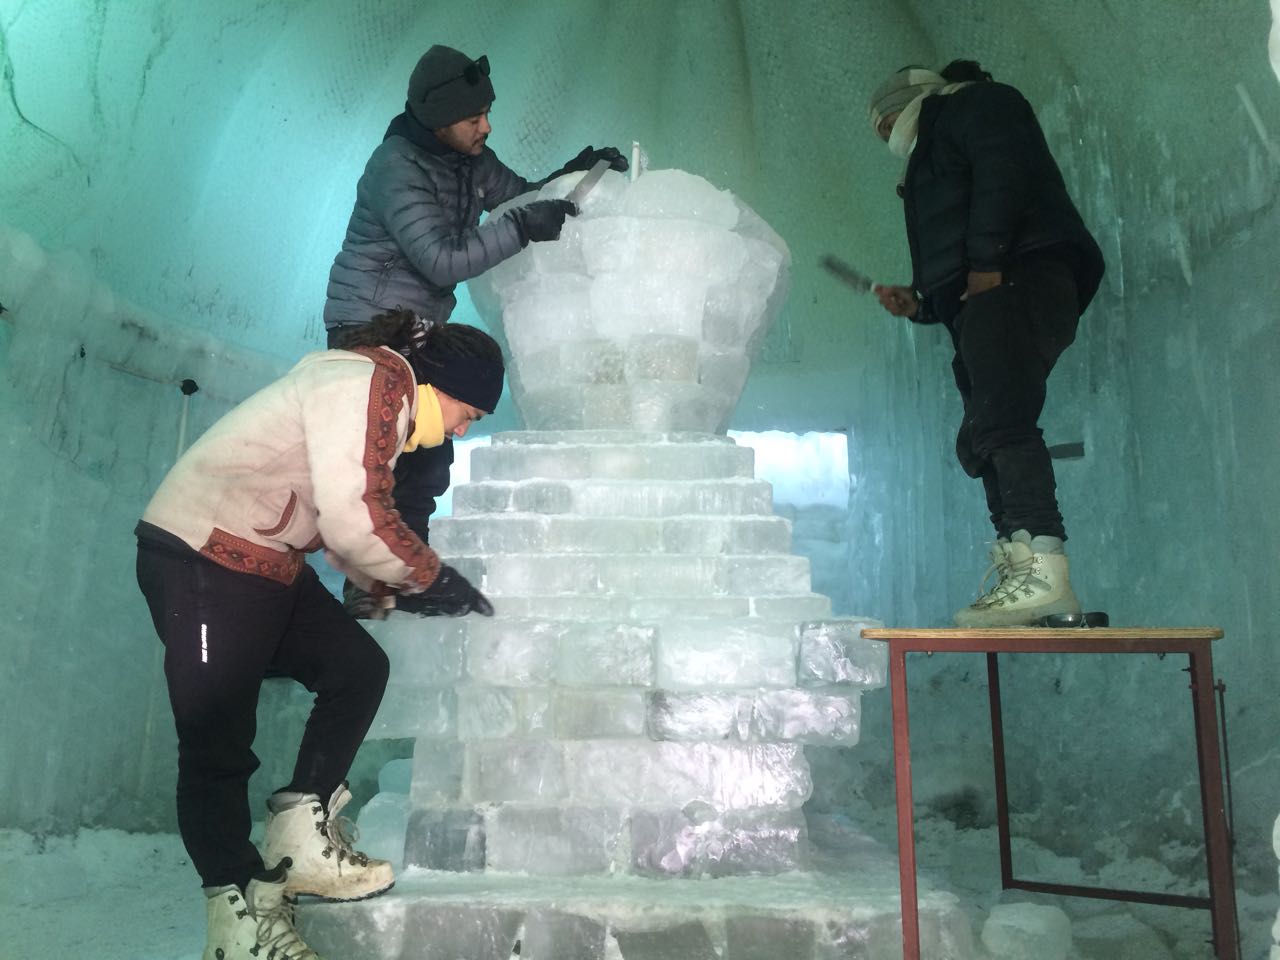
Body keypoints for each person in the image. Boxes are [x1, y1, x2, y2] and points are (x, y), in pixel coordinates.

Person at [134, 312, 503, 960]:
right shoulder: (367, 385)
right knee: (216, 741)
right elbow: (353, 519)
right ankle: (239, 924)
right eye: (468, 412)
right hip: (202, 558)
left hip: (266, 564)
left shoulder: (383, 405)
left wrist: (395, 586)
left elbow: (351, 527)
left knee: (357, 668)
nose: (465, 427)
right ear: (438, 385)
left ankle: (298, 837)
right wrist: (429, 575)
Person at [323, 44, 627, 616]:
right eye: (473, 118)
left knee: (427, 453)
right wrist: (521, 228)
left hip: (414, 325)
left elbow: (520, 198)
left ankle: (400, 580)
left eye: (488, 112)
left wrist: (573, 175)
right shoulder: (395, 166)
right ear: (439, 121)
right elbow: (441, 259)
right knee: (380, 456)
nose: (487, 126)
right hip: (366, 323)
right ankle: (370, 586)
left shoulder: (466, 156)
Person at [867, 59, 1106, 627]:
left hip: (1020, 273)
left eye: (884, 123)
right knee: (984, 433)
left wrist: (988, 264)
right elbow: (963, 265)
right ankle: (1024, 563)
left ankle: (1044, 570)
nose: (884, 136)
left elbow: (1004, 174)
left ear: (909, 101)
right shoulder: (940, 145)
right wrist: (924, 305)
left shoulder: (978, 105)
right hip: (998, 285)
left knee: (1002, 423)